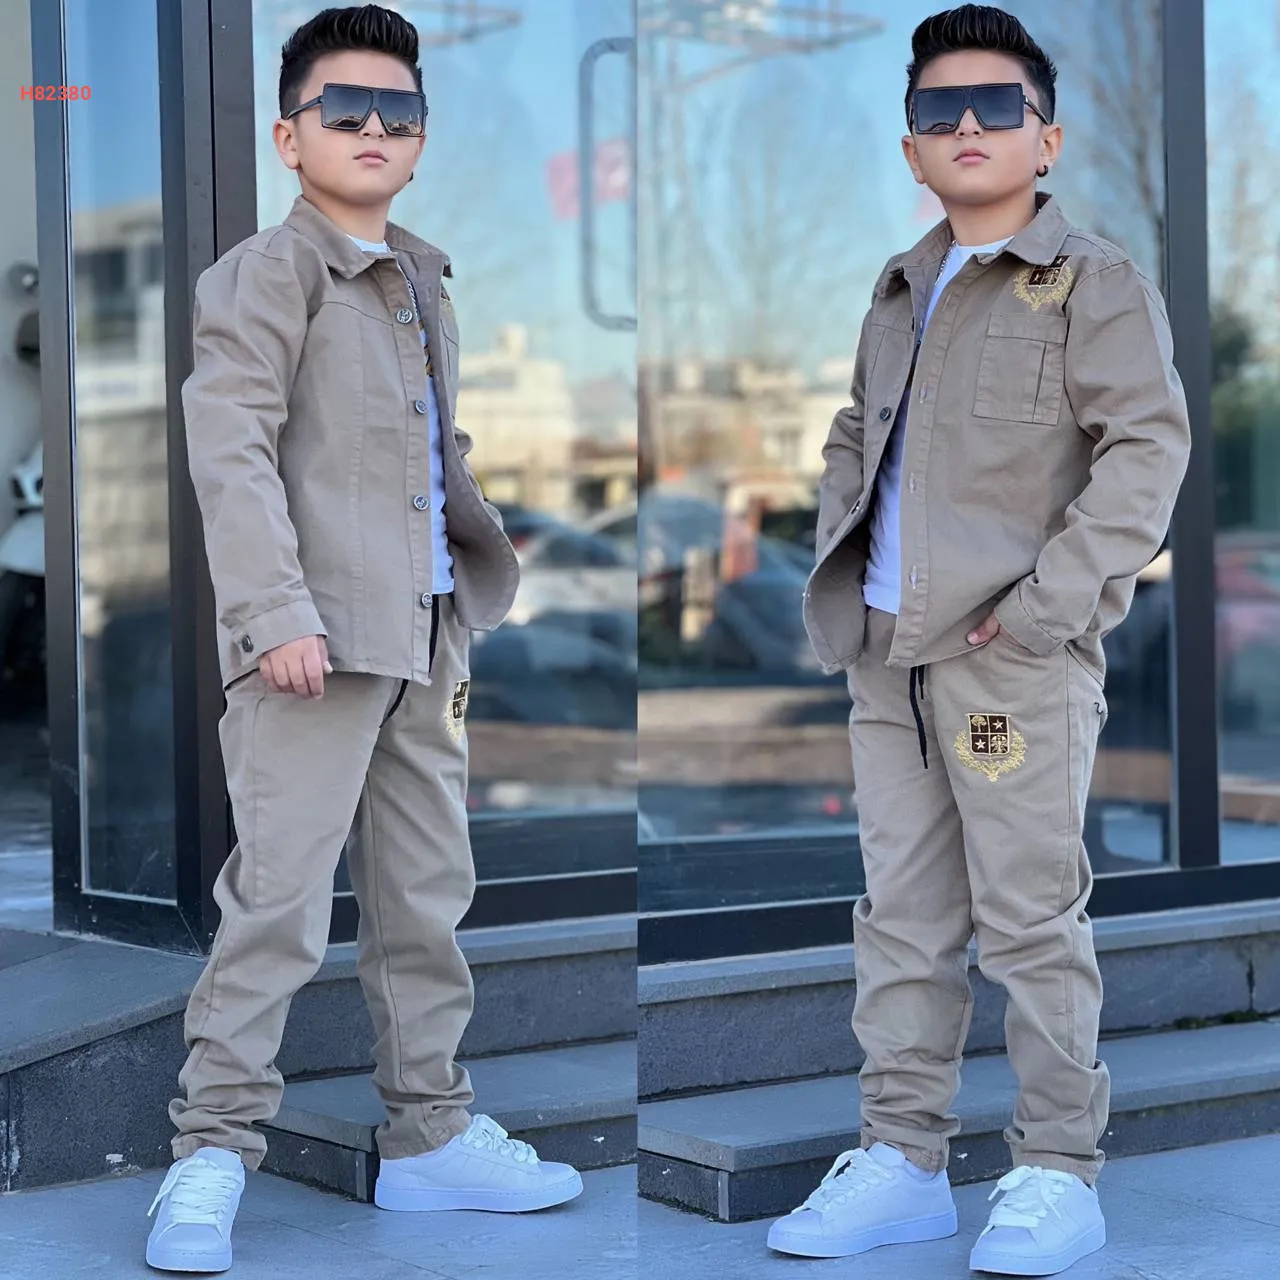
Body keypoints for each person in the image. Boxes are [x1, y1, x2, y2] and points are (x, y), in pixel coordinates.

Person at [144, 6, 582, 1271]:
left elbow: (423, 452)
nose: (374, 128)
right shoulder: (265, 274)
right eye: (345, 108)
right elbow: (230, 452)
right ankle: (210, 1151)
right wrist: (274, 610)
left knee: (422, 904)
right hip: (312, 645)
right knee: (276, 905)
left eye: (399, 111)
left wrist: (468, 574)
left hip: (423, 639)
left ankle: (430, 1136)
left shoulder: (421, 275)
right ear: (290, 136)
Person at [775, 6, 1190, 1276]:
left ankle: (1057, 1167)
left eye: (996, 105)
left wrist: (1045, 605)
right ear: (909, 146)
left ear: (1044, 138)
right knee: (900, 919)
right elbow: (856, 432)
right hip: (886, 659)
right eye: (937, 109)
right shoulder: (898, 285)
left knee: (1027, 921)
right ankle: (901, 1160)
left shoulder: (1091, 282)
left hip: (1008, 656)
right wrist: (838, 554)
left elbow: (1146, 451)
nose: (966, 124)